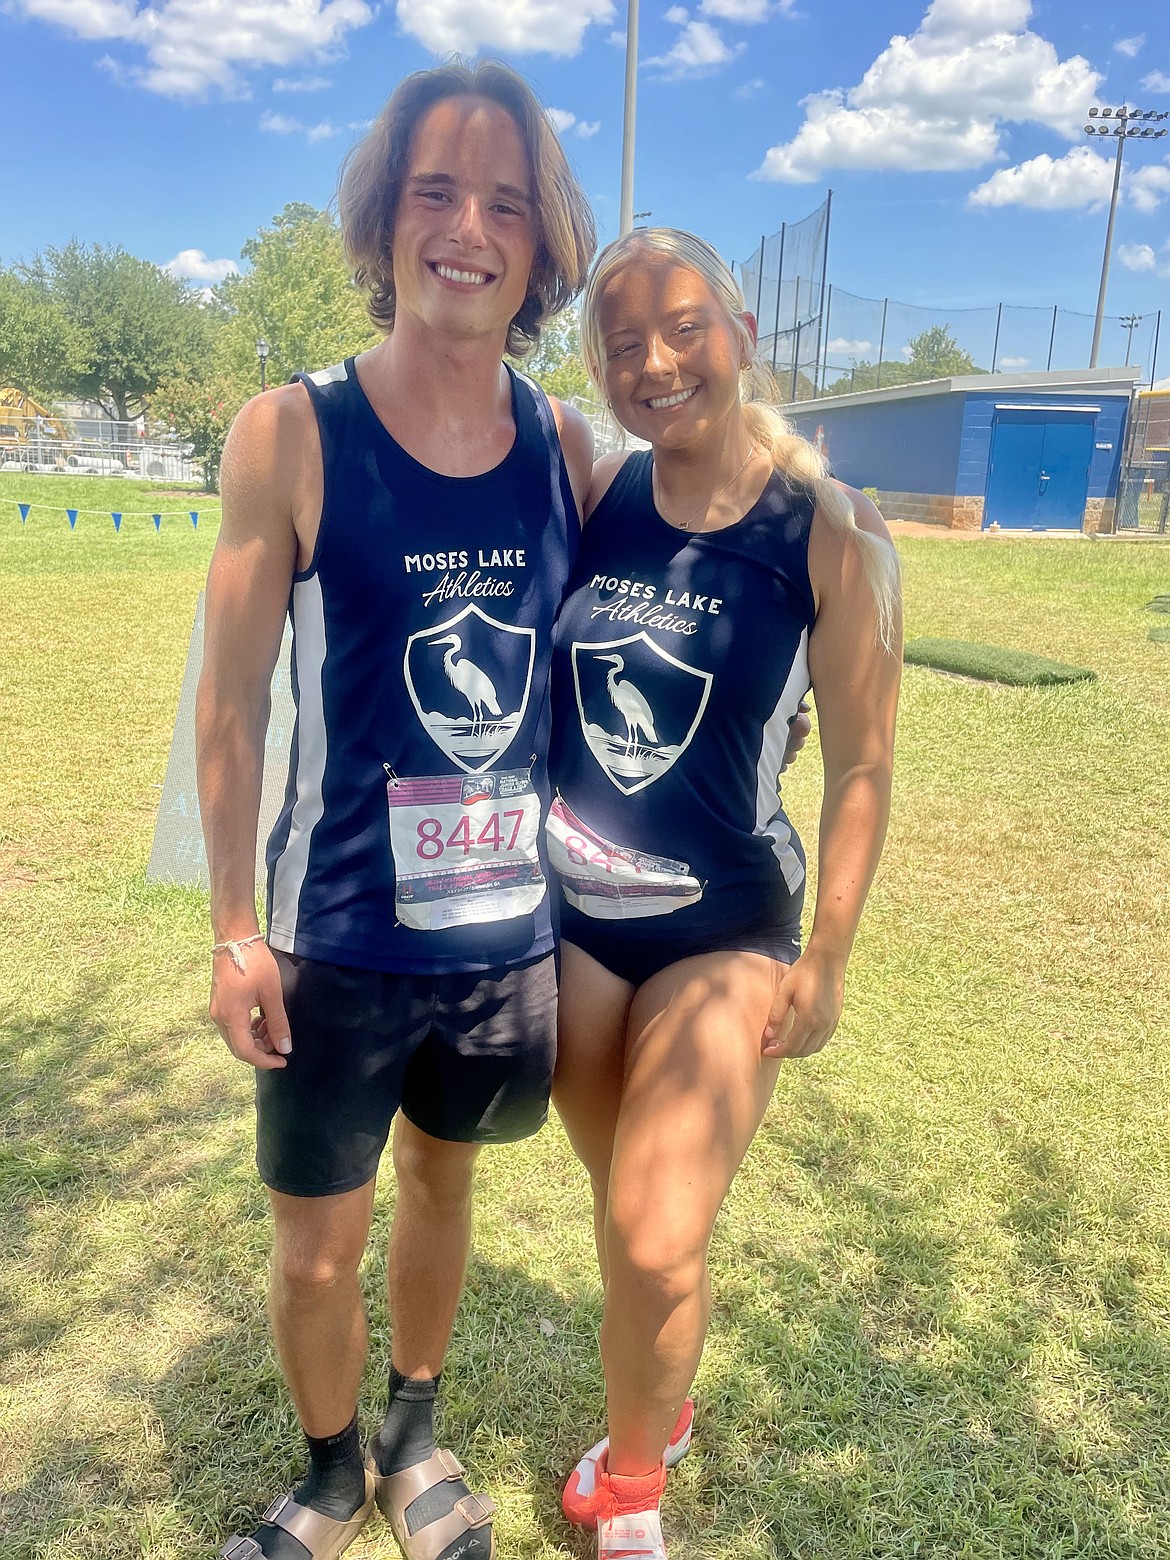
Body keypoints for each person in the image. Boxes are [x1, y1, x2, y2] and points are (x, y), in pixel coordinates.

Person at [195, 60, 595, 1560]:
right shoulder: (288, 432)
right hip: (334, 941)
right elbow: (229, 704)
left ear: (540, 243)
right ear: (383, 217)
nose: (468, 228)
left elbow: (672, 586)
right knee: (315, 1248)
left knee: (443, 1182)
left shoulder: (560, 450)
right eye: (436, 190)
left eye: (505, 201)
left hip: (503, 942)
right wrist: (235, 926)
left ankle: (414, 1440)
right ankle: (322, 1471)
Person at [546, 228, 903, 1559]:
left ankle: (633, 1481)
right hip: (573, 926)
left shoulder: (826, 531)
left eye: (683, 325)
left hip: (726, 932)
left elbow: (861, 759)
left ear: (741, 330)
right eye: (622, 341)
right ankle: (665, 1383)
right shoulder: (593, 498)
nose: (655, 360)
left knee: (649, 1232)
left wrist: (830, 955)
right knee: (631, 1217)